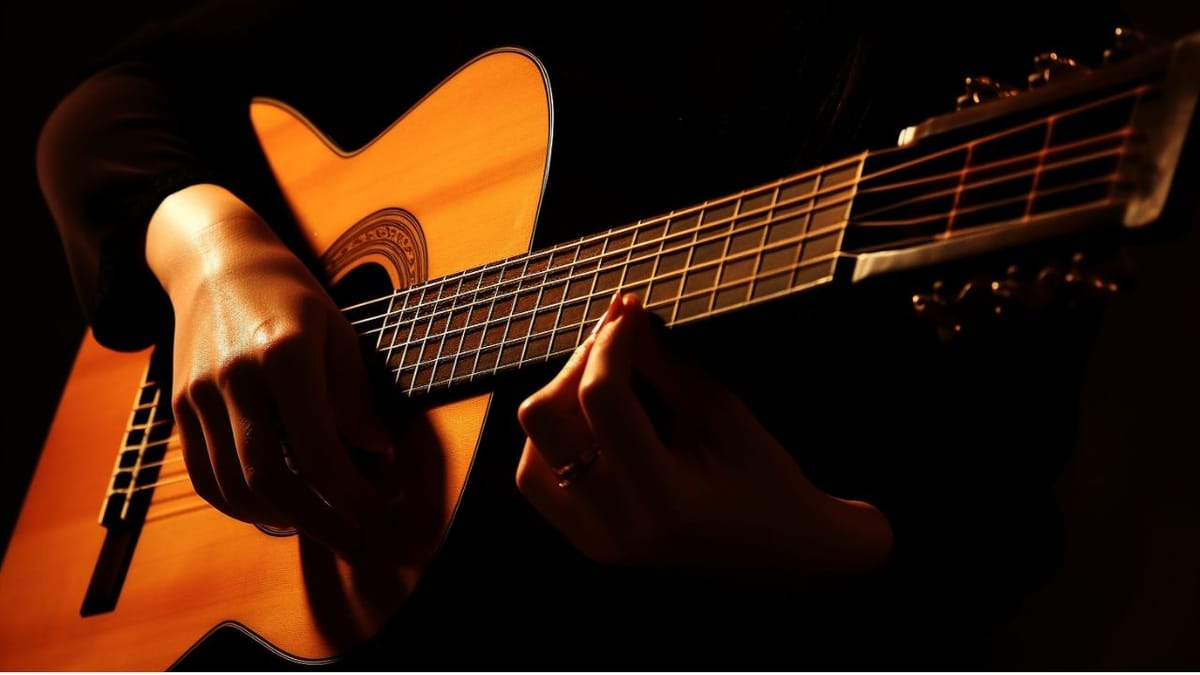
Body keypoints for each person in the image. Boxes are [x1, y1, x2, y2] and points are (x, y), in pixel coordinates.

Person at [34, 0, 1132, 669]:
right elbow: (116, 104)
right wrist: (212, 253)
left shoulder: (1003, 33)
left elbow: (985, 535)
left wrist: (810, 546)